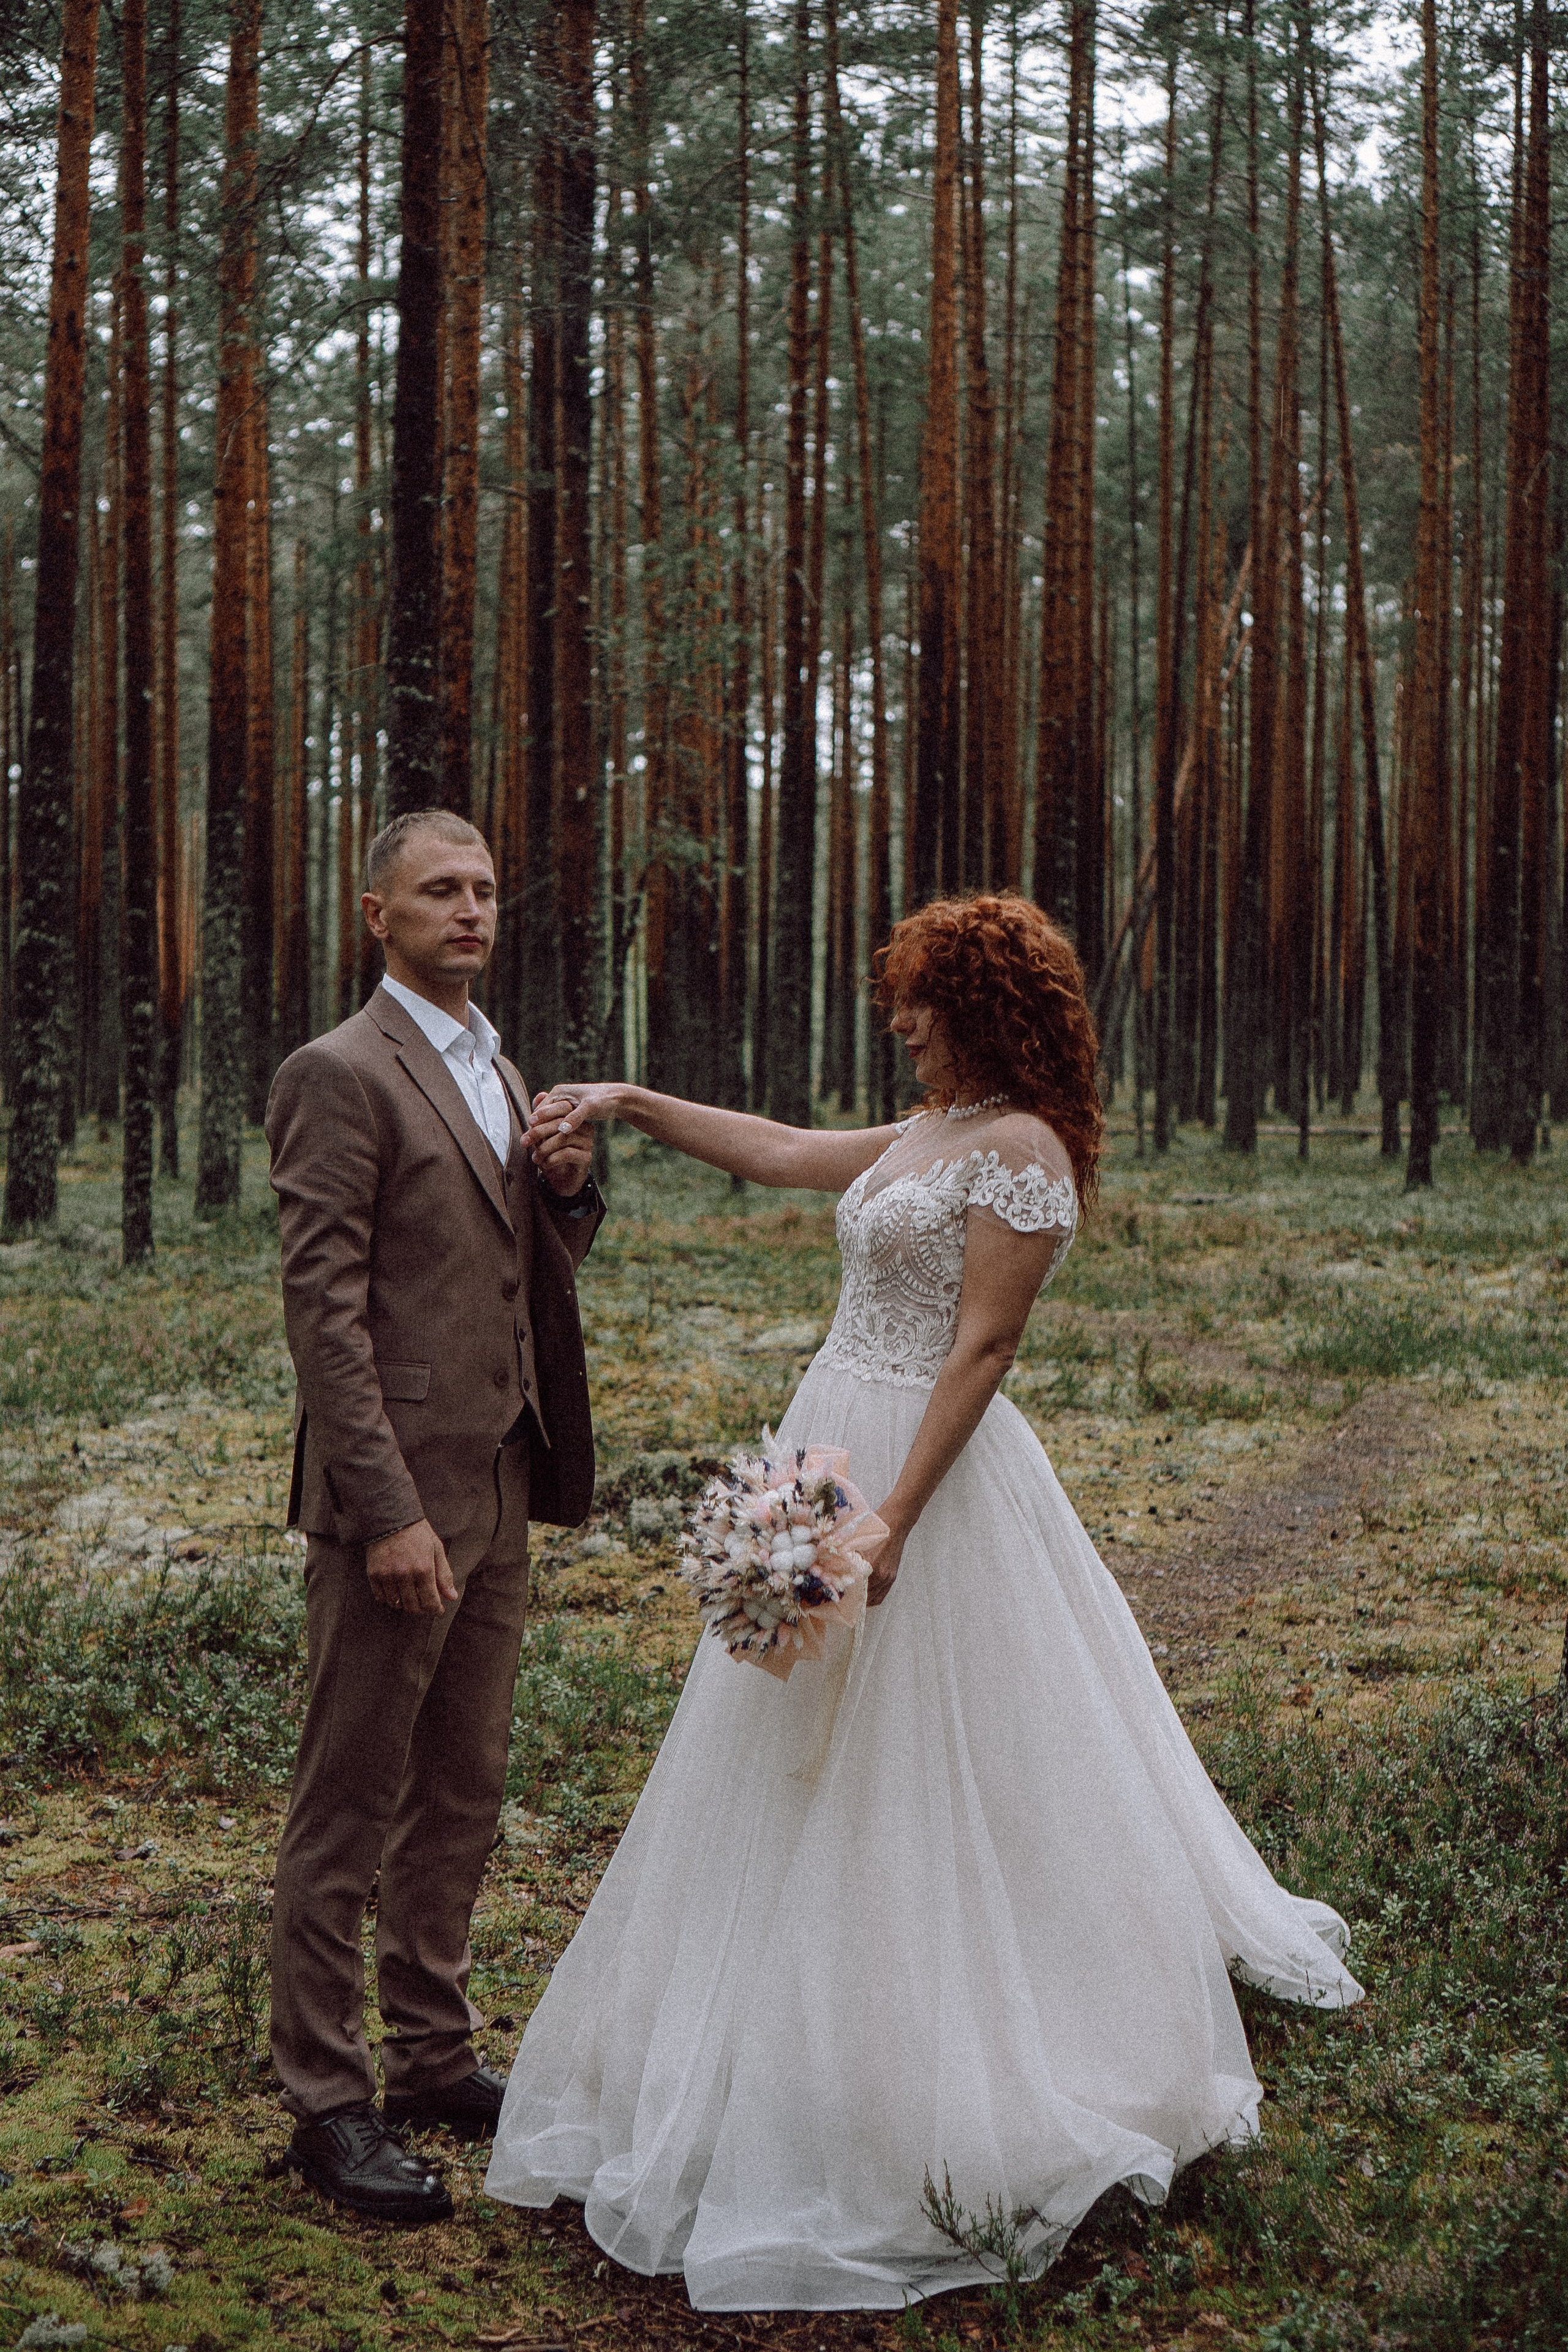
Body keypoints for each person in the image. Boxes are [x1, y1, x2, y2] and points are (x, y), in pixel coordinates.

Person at [486, 892, 1361, 2311]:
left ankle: (960, 2035)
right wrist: (635, 1102)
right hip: (826, 1435)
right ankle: (778, 2022)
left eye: (917, 999)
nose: (895, 1019)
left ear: (981, 1006)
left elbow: (986, 1343)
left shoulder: (1018, 1151)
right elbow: (775, 1151)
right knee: (780, 1727)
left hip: (924, 1471)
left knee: (941, 1748)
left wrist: (895, 1509)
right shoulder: (926, 1136)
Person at [264, 808, 605, 2225]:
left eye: (481, 890)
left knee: (460, 1797)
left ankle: (431, 2055)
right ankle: (327, 2105)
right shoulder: (339, 1073)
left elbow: (518, 1260)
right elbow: (323, 1314)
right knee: (347, 1804)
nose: (469, 911)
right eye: (437, 893)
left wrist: (572, 1195)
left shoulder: (496, 1064)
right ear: (377, 916)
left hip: (502, 1481)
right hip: (393, 1507)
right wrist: (386, 1511)